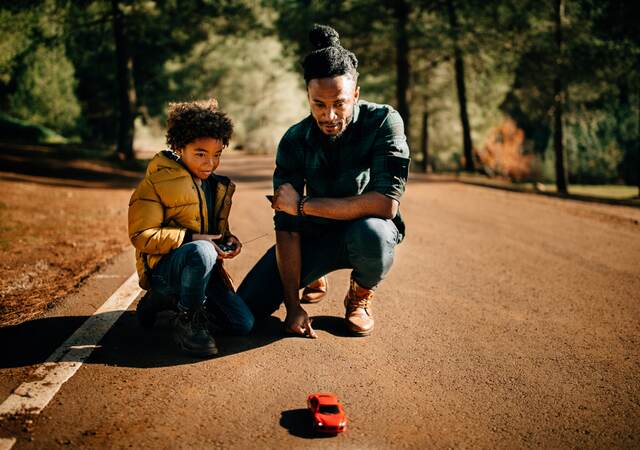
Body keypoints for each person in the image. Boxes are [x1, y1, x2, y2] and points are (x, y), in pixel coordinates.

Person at [238, 25, 410, 338]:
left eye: (340, 103)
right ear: (308, 96)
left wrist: (302, 205)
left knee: (372, 233)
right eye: (319, 104)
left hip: (364, 231)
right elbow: (287, 229)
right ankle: (314, 276)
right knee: (244, 310)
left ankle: (359, 296)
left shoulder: (384, 122)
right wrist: (292, 306)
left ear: (356, 94)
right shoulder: (294, 140)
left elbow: (385, 205)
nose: (329, 115)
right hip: (313, 235)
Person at [128, 99, 254, 357]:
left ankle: (177, 300)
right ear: (178, 147)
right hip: (165, 270)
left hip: (202, 267)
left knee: (243, 324)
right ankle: (184, 317)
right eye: (200, 154)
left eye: (217, 154)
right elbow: (141, 236)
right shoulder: (156, 182)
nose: (210, 163)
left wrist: (227, 240)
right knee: (202, 251)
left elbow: (213, 231)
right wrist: (194, 239)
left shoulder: (217, 186)